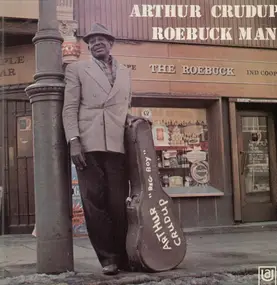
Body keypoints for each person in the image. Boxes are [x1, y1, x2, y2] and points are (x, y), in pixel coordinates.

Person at [62, 23, 136, 275]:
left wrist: (135, 121)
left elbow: (125, 107)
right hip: (88, 144)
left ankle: (123, 255)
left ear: (110, 43)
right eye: (91, 40)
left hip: (117, 145)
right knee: (94, 203)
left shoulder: (125, 72)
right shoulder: (77, 69)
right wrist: (73, 140)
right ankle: (108, 259)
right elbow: (70, 107)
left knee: (118, 204)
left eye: (101, 39)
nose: (96, 43)